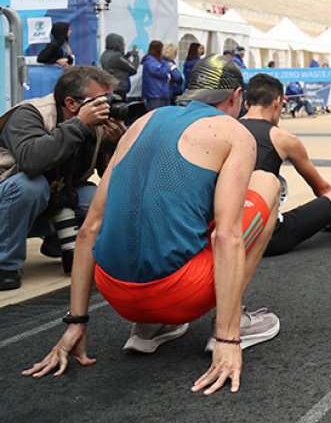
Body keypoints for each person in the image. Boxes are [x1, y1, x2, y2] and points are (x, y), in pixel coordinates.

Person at [24, 55, 281, 395]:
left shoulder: (144, 121)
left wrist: (77, 322)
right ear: (235, 96)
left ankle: (150, 328)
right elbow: (228, 236)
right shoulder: (235, 131)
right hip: (180, 294)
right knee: (266, 183)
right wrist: (226, 339)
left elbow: (89, 229)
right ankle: (236, 323)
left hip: (115, 293)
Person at [0, 67, 120, 290]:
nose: (106, 106)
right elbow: (31, 162)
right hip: (10, 199)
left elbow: (108, 175)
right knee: (30, 186)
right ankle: (5, 264)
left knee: (98, 196)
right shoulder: (30, 114)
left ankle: (59, 243)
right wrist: (78, 125)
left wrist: (116, 145)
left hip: (58, 196)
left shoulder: (97, 124)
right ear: (72, 103)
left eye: (110, 99)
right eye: (99, 101)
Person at [239, 74, 331, 257]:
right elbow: (322, 189)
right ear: (277, 103)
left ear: (246, 104)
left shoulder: (223, 130)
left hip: (226, 235)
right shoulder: (283, 138)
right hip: (268, 237)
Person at [142, 40, 182, 111]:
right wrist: (169, 67)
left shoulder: (160, 62)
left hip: (163, 94)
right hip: (156, 95)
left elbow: (178, 77)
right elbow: (160, 72)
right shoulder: (151, 62)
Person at [100, 33, 140, 99]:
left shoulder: (105, 54)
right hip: (119, 87)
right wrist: (135, 55)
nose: (123, 47)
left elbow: (118, 62)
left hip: (111, 85)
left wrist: (127, 55)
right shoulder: (117, 56)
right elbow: (133, 68)